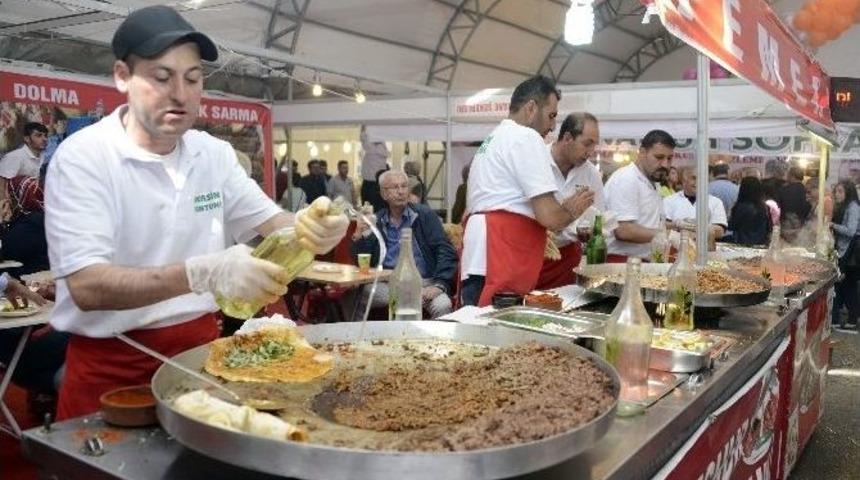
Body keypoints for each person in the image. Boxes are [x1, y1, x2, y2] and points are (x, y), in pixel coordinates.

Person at [44, 5, 349, 420]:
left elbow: (273, 223)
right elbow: (87, 286)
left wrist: (315, 225)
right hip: (112, 368)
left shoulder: (212, 154)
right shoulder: (85, 158)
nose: (180, 94)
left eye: (192, 78)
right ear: (122, 76)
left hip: (199, 357)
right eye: (161, 77)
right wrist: (202, 272)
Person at [460, 75, 593, 307]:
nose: (553, 126)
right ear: (531, 108)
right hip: (500, 251)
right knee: (494, 324)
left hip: (482, 253)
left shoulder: (495, 137)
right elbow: (549, 217)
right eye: (551, 116)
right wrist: (571, 210)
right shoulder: (526, 137)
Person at [351, 171, 456, 318]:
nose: (401, 192)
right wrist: (360, 235)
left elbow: (445, 250)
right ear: (384, 194)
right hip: (389, 284)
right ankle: (359, 335)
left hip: (424, 283)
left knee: (443, 305)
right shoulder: (378, 220)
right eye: (395, 187)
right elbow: (362, 262)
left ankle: (429, 333)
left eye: (404, 186)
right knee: (364, 292)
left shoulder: (424, 215)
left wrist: (440, 284)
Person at [538, 112, 604, 289]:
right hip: (533, 253)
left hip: (568, 258)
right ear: (567, 138)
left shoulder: (591, 174)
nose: (591, 152)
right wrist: (565, 213)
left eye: (594, 145)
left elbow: (598, 219)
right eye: (587, 144)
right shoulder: (537, 161)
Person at [604, 129, 676, 261]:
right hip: (623, 262)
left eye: (669, 158)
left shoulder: (653, 182)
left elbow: (649, 223)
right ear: (642, 152)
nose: (665, 164)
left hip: (646, 261)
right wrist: (668, 235)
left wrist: (678, 227)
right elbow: (623, 230)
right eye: (659, 157)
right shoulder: (627, 178)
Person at [663, 166, 728, 241]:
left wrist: (689, 228)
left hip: (707, 247)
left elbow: (720, 231)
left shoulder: (716, 202)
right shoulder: (669, 200)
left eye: (702, 178)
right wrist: (677, 224)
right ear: (684, 180)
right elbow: (663, 226)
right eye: (693, 178)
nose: (698, 182)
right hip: (676, 246)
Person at [0, 122, 48, 220]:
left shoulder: (43, 158)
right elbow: (2, 184)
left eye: (45, 136)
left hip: (32, 209)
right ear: (27, 139)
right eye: (39, 135)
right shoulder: (15, 157)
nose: (44, 139)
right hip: (13, 213)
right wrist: (4, 210)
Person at [831, 180, 860, 329]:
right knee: (843, 285)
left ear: (848, 192)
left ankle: (852, 320)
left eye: (840, 191)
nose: (837, 194)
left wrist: (833, 225)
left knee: (848, 286)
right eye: (836, 191)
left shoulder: (853, 207)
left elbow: (851, 231)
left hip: (850, 252)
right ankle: (839, 320)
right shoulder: (846, 206)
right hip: (845, 250)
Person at [729, 177, 772, 246]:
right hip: (761, 243)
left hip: (742, 243)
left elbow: (733, 225)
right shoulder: (764, 207)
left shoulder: (741, 207)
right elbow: (768, 227)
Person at [777, 166, 811, 241]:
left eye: (788, 174)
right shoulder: (807, 191)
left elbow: (779, 206)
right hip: (801, 224)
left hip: (786, 223)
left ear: (792, 176)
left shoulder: (783, 190)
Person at [360, 126, 389, 212]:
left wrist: (363, 127)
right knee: (377, 210)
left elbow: (363, 138)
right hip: (377, 183)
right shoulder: (382, 148)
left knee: (368, 210)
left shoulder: (372, 148)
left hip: (370, 184)